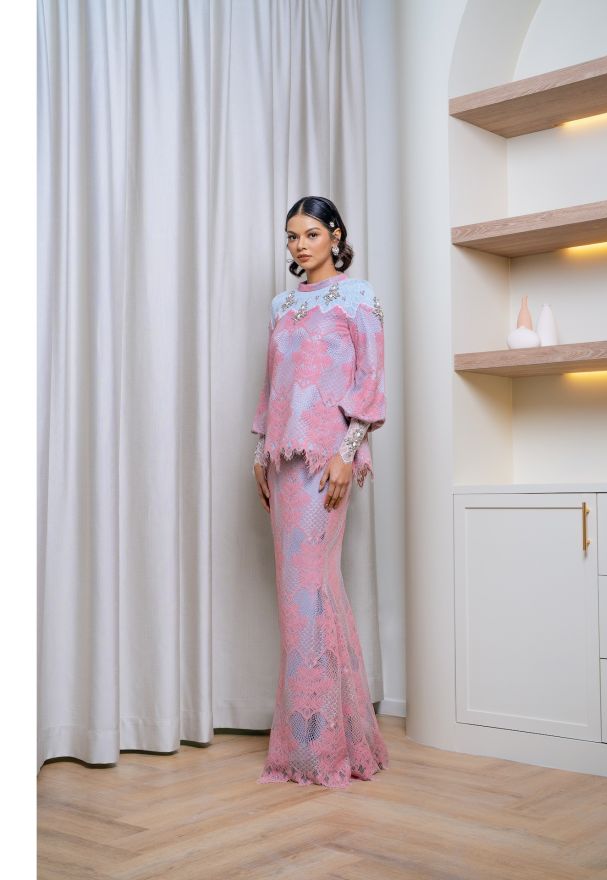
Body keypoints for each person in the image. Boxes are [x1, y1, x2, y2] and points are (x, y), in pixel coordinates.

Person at [251, 195, 389, 788]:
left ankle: (323, 746)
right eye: (291, 236)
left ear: (336, 235)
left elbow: (369, 379)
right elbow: (273, 385)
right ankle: (320, 737)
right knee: (298, 597)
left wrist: (346, 452)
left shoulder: (359, 298)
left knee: (313, 590)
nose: (300, 245)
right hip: (283, 462)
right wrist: (260, 453)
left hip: (326, 462)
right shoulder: (282, 305)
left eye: (310, 233)